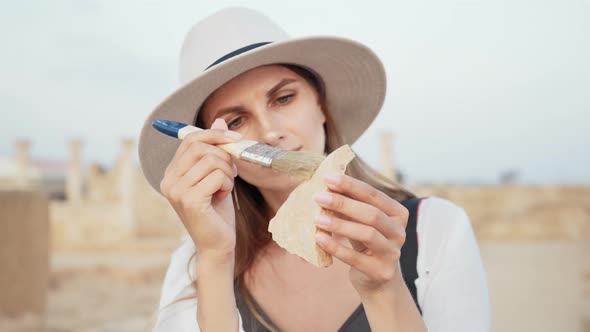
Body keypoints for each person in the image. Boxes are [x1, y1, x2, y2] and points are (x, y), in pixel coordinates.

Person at [138, 7, 490, 332]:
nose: (270, 131)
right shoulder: (195, 264)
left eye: (284, 98)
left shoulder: (434, 228)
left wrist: (384, 288)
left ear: (321, 104)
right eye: (236, 120)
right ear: (212, 145)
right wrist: (215, 260)